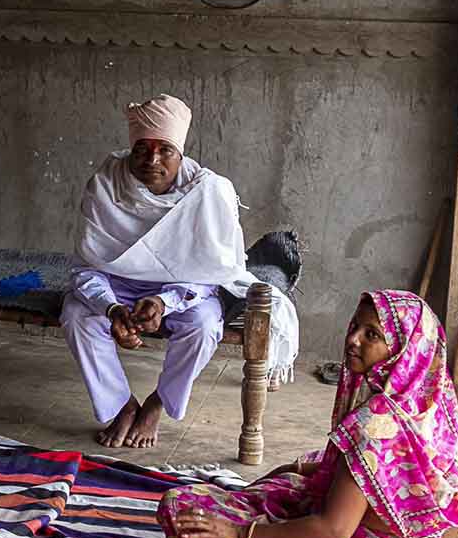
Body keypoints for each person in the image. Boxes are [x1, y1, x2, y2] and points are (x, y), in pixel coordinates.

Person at [157, 290, 458, 538]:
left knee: (180, 508)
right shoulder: (432, 402)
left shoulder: (376, 424)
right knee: (287, 480)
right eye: (355, 327)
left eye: (372, 334)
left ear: (403, 349)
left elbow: (334, 529)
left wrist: (237, 534)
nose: (353, 340)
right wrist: (298, 470)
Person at [61, 94, 298, 449]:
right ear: (130, 150)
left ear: (180, 153)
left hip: (184, 290)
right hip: (118, 289)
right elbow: (86, 269)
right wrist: (111, 308)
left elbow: (214, 274)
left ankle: (157, 403)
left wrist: (164, 301)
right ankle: (121, 405)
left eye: (165, 150)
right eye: (142, 149)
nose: (152, 160)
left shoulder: (209, 191)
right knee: (76, 314)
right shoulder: (105, 184)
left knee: (203, 326)